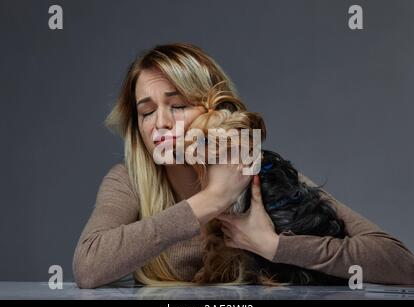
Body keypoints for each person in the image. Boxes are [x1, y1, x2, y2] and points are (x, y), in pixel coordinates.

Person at [72, 43, 414, 289]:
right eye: (146, 112)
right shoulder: (128, 181)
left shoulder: (254, 170)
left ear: (212, 108)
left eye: (177, 105)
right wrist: (212, 201)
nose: (160, 122)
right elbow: (88, 267)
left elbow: (400, 263)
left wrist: (273, 245)